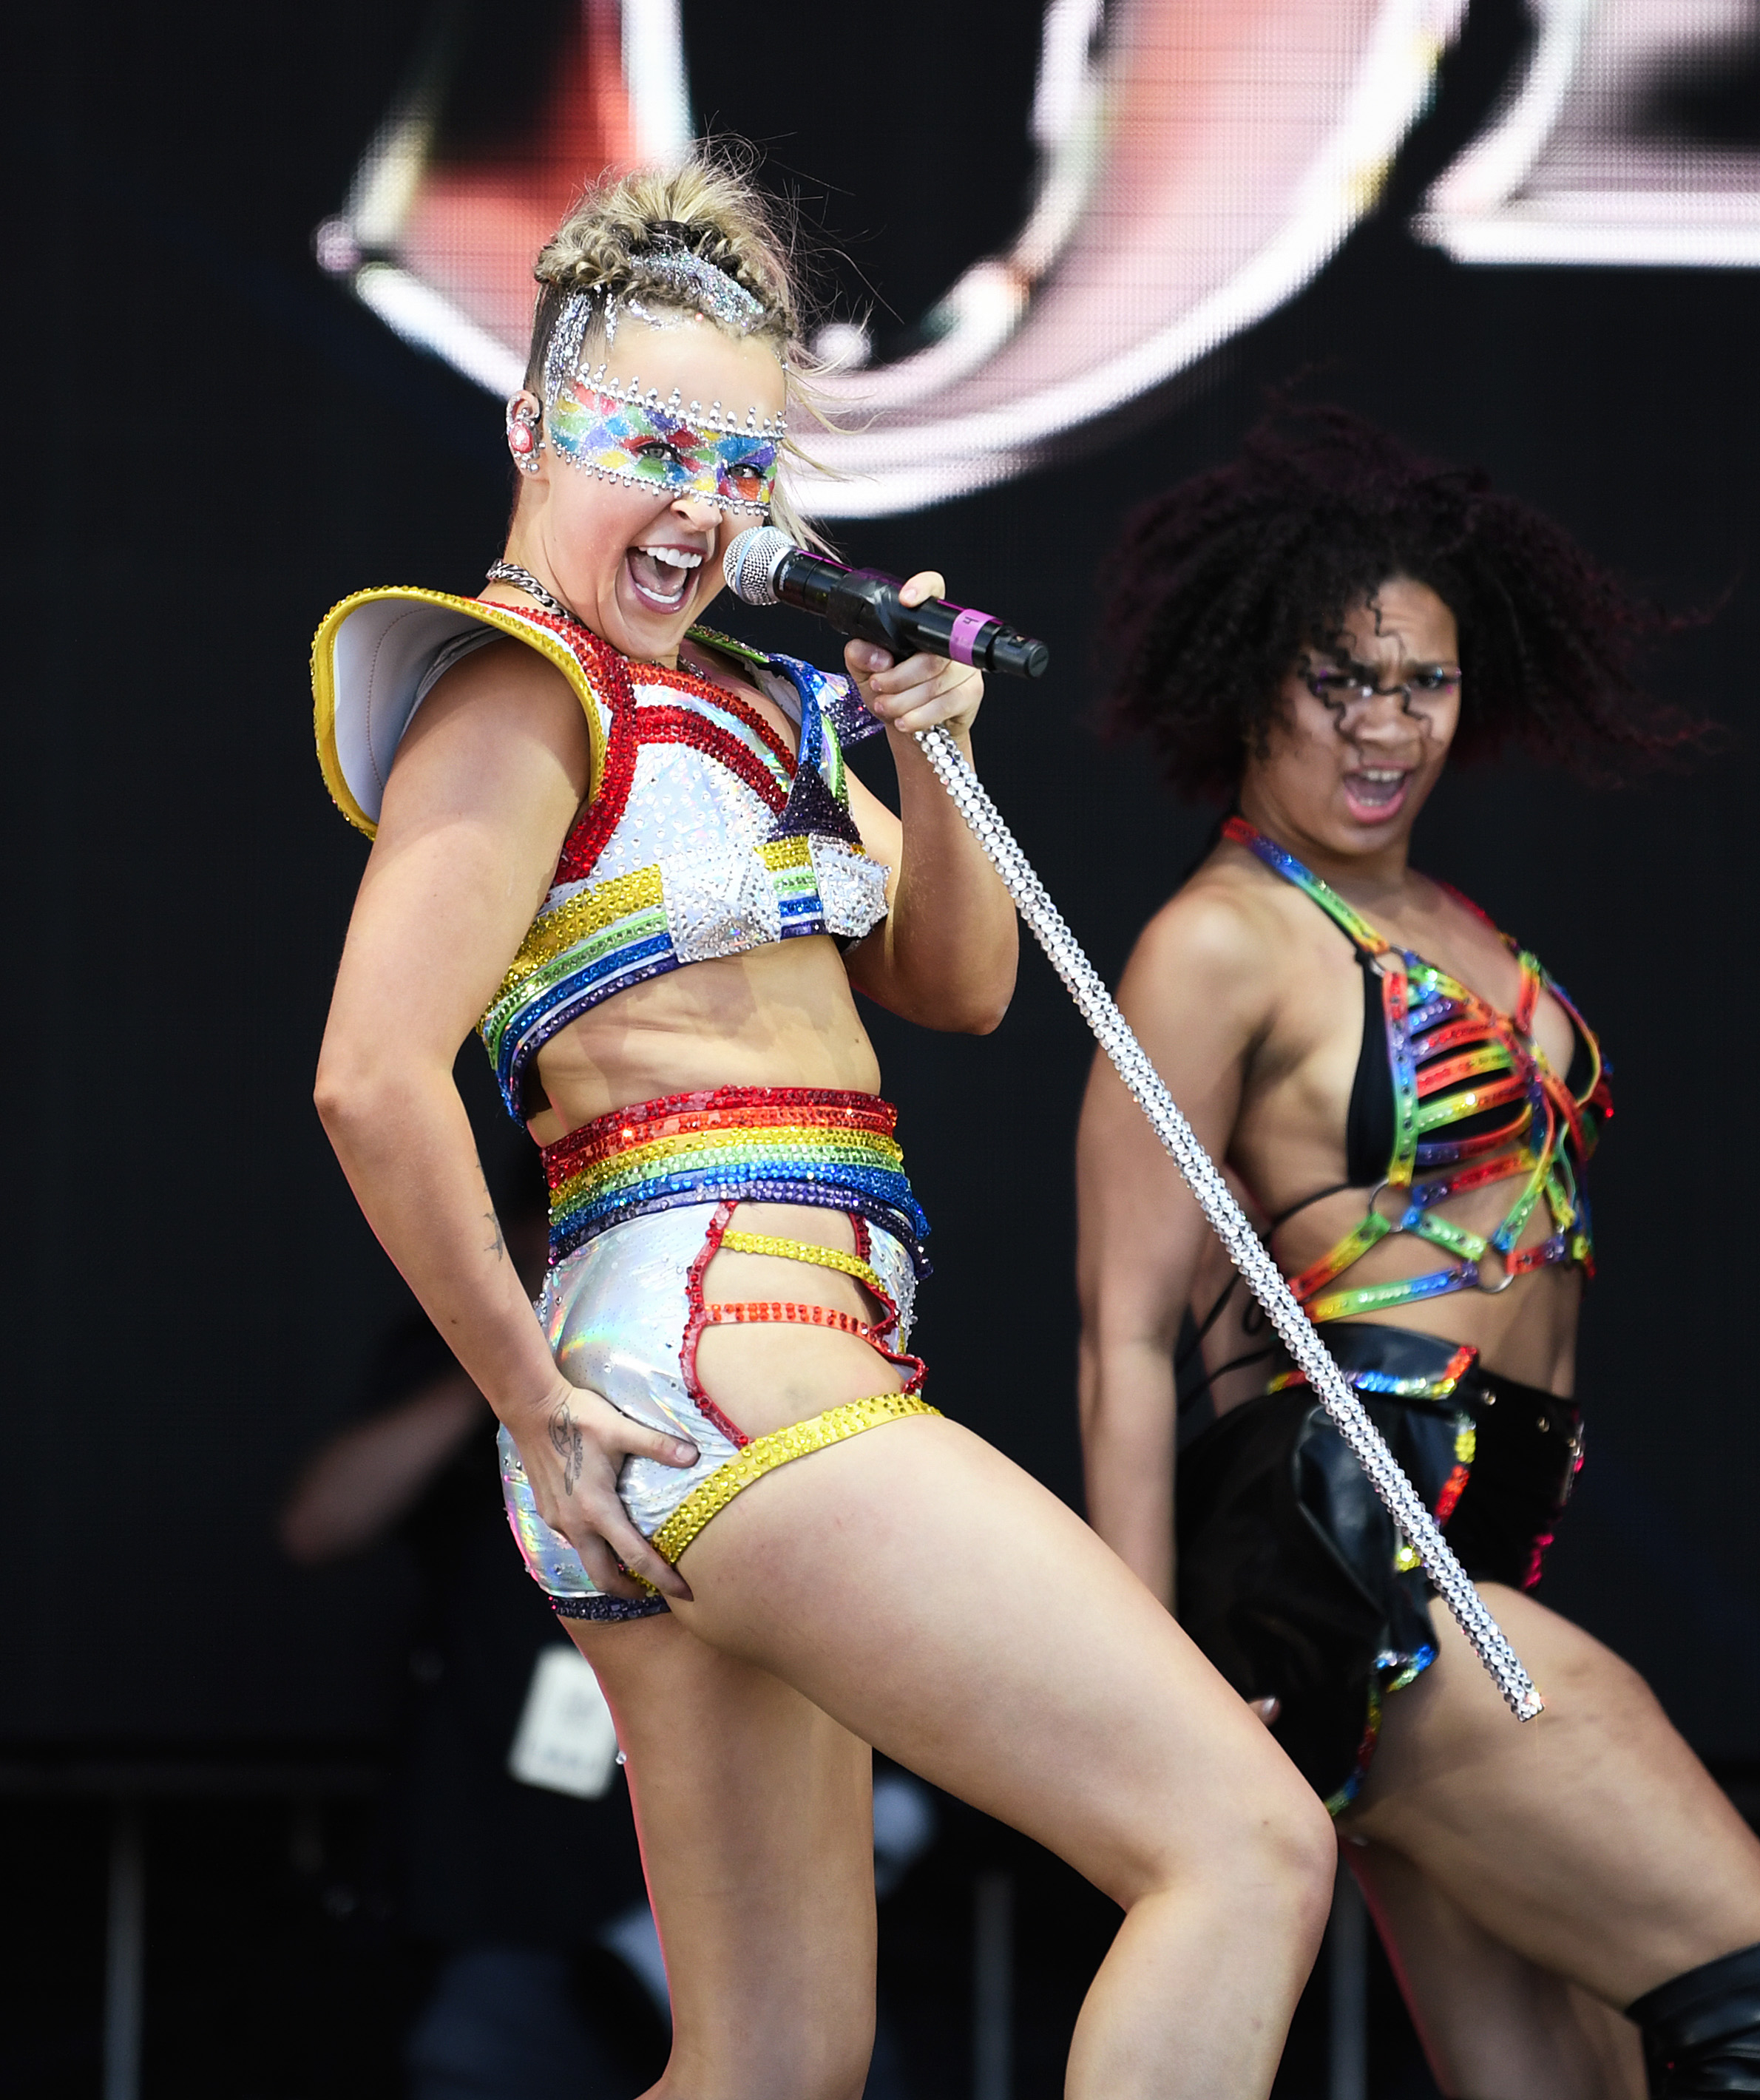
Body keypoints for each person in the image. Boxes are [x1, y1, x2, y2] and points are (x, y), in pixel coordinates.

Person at [311, 153, 1334, 2100]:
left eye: (743, 465)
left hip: (732, 1371)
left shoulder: (766, 718)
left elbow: (954, 985)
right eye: (659, 447)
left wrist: (930, 754)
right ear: (535, 425)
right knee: (1241, 1844)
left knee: (776, 2062)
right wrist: (526, 1398)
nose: (703, 509)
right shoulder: (519, 701)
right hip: (707, 1352)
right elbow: (372, 1079)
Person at [1076, 407, 1760, 2099]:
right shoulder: (1217, 940)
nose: (1382, 726)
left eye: (1422, 684)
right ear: (1250, 680)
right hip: (1346, 1547)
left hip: (1480, 1545)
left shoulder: (1453, 925)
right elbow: (1119, 1333)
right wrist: (1139, 1698)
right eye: (1336, 679)